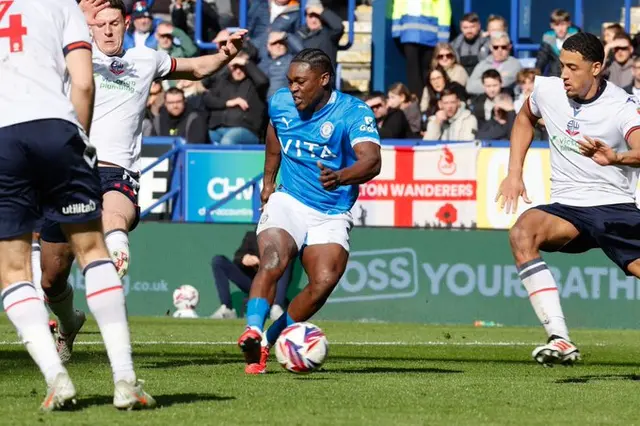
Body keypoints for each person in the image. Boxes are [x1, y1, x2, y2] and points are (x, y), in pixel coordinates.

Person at [38, 0, 247, 370]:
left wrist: (225, 54)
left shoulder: (145, 58)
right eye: (99, 24)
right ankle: (69, 323)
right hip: (67, 172)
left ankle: (115, 253)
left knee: (113, 214)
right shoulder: (74, 57)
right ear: (89, 27)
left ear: (126, 23)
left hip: (115, 170)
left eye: (114, 23)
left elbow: (196, 67)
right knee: (52, 278)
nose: (106, 30)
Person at [0, 0, 155, 411]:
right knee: (91, 250)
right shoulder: (61, 6)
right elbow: (84, 84)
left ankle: (57, 379)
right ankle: (125, 381)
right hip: (55, 128)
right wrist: (81, 143)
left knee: (13, 270)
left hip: (3, 138)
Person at [496, 32, 640, 366]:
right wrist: (514, 172)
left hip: (612, 206)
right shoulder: (547, 89)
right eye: (562, 65)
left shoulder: (621, 106)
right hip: (568, 209)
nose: (564, 74)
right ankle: (559, 338)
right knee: (522, 232)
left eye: (573, 68)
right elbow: (523, 119)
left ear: (596, 68)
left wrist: (616, 158)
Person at [237, 48, 381, 374]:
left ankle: (268, 341)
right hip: (289, 200)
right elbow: (276, 133)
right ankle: (253, 329)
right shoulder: (281, 102)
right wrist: (268, 182)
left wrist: (341, 176)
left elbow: (372, 160)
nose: (294, 89)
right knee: (273, 259)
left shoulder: (353, 112)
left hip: (332, 209)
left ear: (324, 79)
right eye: (290, 82)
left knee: (324, 282)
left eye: (301, 82)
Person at [210, 230, 292, 320]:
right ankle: (227, 309)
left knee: (285, 261)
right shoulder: (252, 235)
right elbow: (238, 257)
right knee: (218, 261)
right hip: (253, 284)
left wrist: (264, 262)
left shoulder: (282, 237)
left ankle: (277, 308)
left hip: (274, 285)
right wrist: (244, 258)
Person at [205, 52, 269, 144]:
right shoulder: (222, 82)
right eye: (235, 67)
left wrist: (246, 62)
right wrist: (228, 103)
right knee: (200, 137)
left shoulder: (254, 85)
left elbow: (263, 82)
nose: (238, 71)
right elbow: (207, 99)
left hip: (246, 130)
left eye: (242, 67)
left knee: (227, 141)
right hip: (217, 128)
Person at [288, 0, 345, 68]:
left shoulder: (329, 34)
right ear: (306, 18)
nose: (314, 20)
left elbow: (338, 27)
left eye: (317, 16)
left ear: (322, 18)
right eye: (311, 16)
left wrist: (321, 11)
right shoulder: (299, 34)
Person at [467, 31, 522, 95]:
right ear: (491, 47)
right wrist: (495, 83)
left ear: (509, 47)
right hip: (485, 101)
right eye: (496, 47)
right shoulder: (483, 64)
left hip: (507, 100)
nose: (499, 50)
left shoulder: (515, 64)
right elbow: (470, 87)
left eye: (503, 47)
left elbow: (505, 82)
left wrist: (484, 83)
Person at [535, 9, 579, 77]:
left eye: (563, 24)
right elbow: (541, 60)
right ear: (551, 26)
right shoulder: (548, 40)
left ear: (568, 24)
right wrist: (536, 74)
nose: (560, 28)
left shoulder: (576, 39)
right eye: (557, 25)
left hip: (572, 77)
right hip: (553, 77)